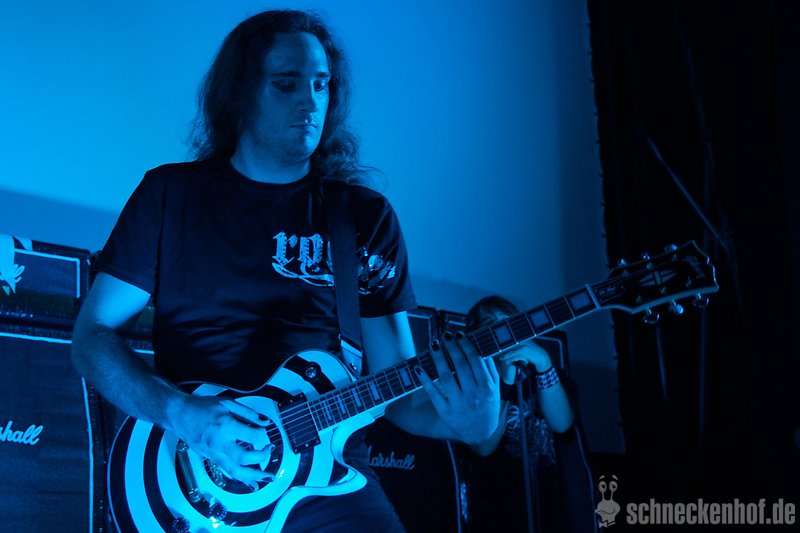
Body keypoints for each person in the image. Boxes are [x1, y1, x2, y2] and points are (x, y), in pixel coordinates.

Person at [70, 9, 500, 532]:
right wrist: (181, 413)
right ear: (240, 94)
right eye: (286, 84)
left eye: (321, 84)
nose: (310, 102)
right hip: (194, 473)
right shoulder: (170, 196)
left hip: (327, 476)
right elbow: (91, 337)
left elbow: (401, 394)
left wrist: (469, 423)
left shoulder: (362, 217)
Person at [463, 295, 576, 533]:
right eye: (491, 325)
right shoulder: (472, 387)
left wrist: (544, 363)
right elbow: (483, 448)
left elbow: (562, 425)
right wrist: (506, 382)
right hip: (495, 509)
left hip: (550, 504)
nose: (504, 333)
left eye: (510, 323)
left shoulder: (545, 375)